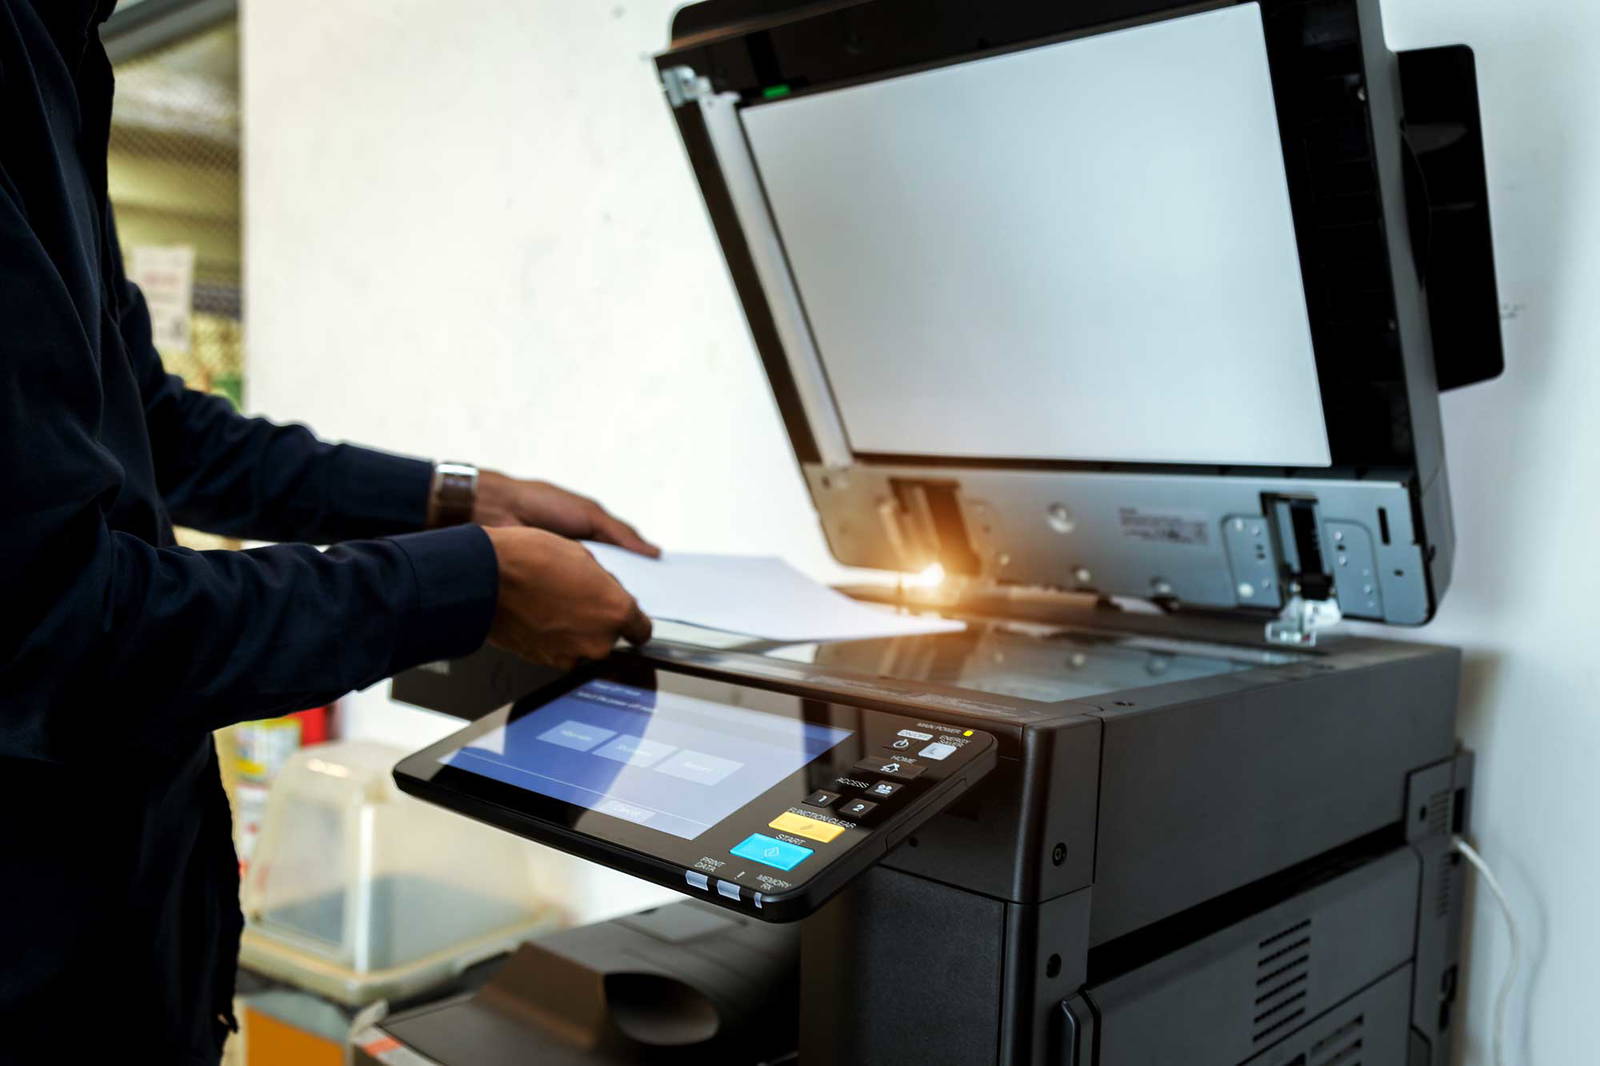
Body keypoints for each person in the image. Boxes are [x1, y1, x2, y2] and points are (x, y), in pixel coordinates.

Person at [0, 2, 657, 1061]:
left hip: (134, 952)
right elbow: (56, 624)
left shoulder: (58, 53)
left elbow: (155, 427)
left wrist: (454, 496)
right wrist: (468, 585)